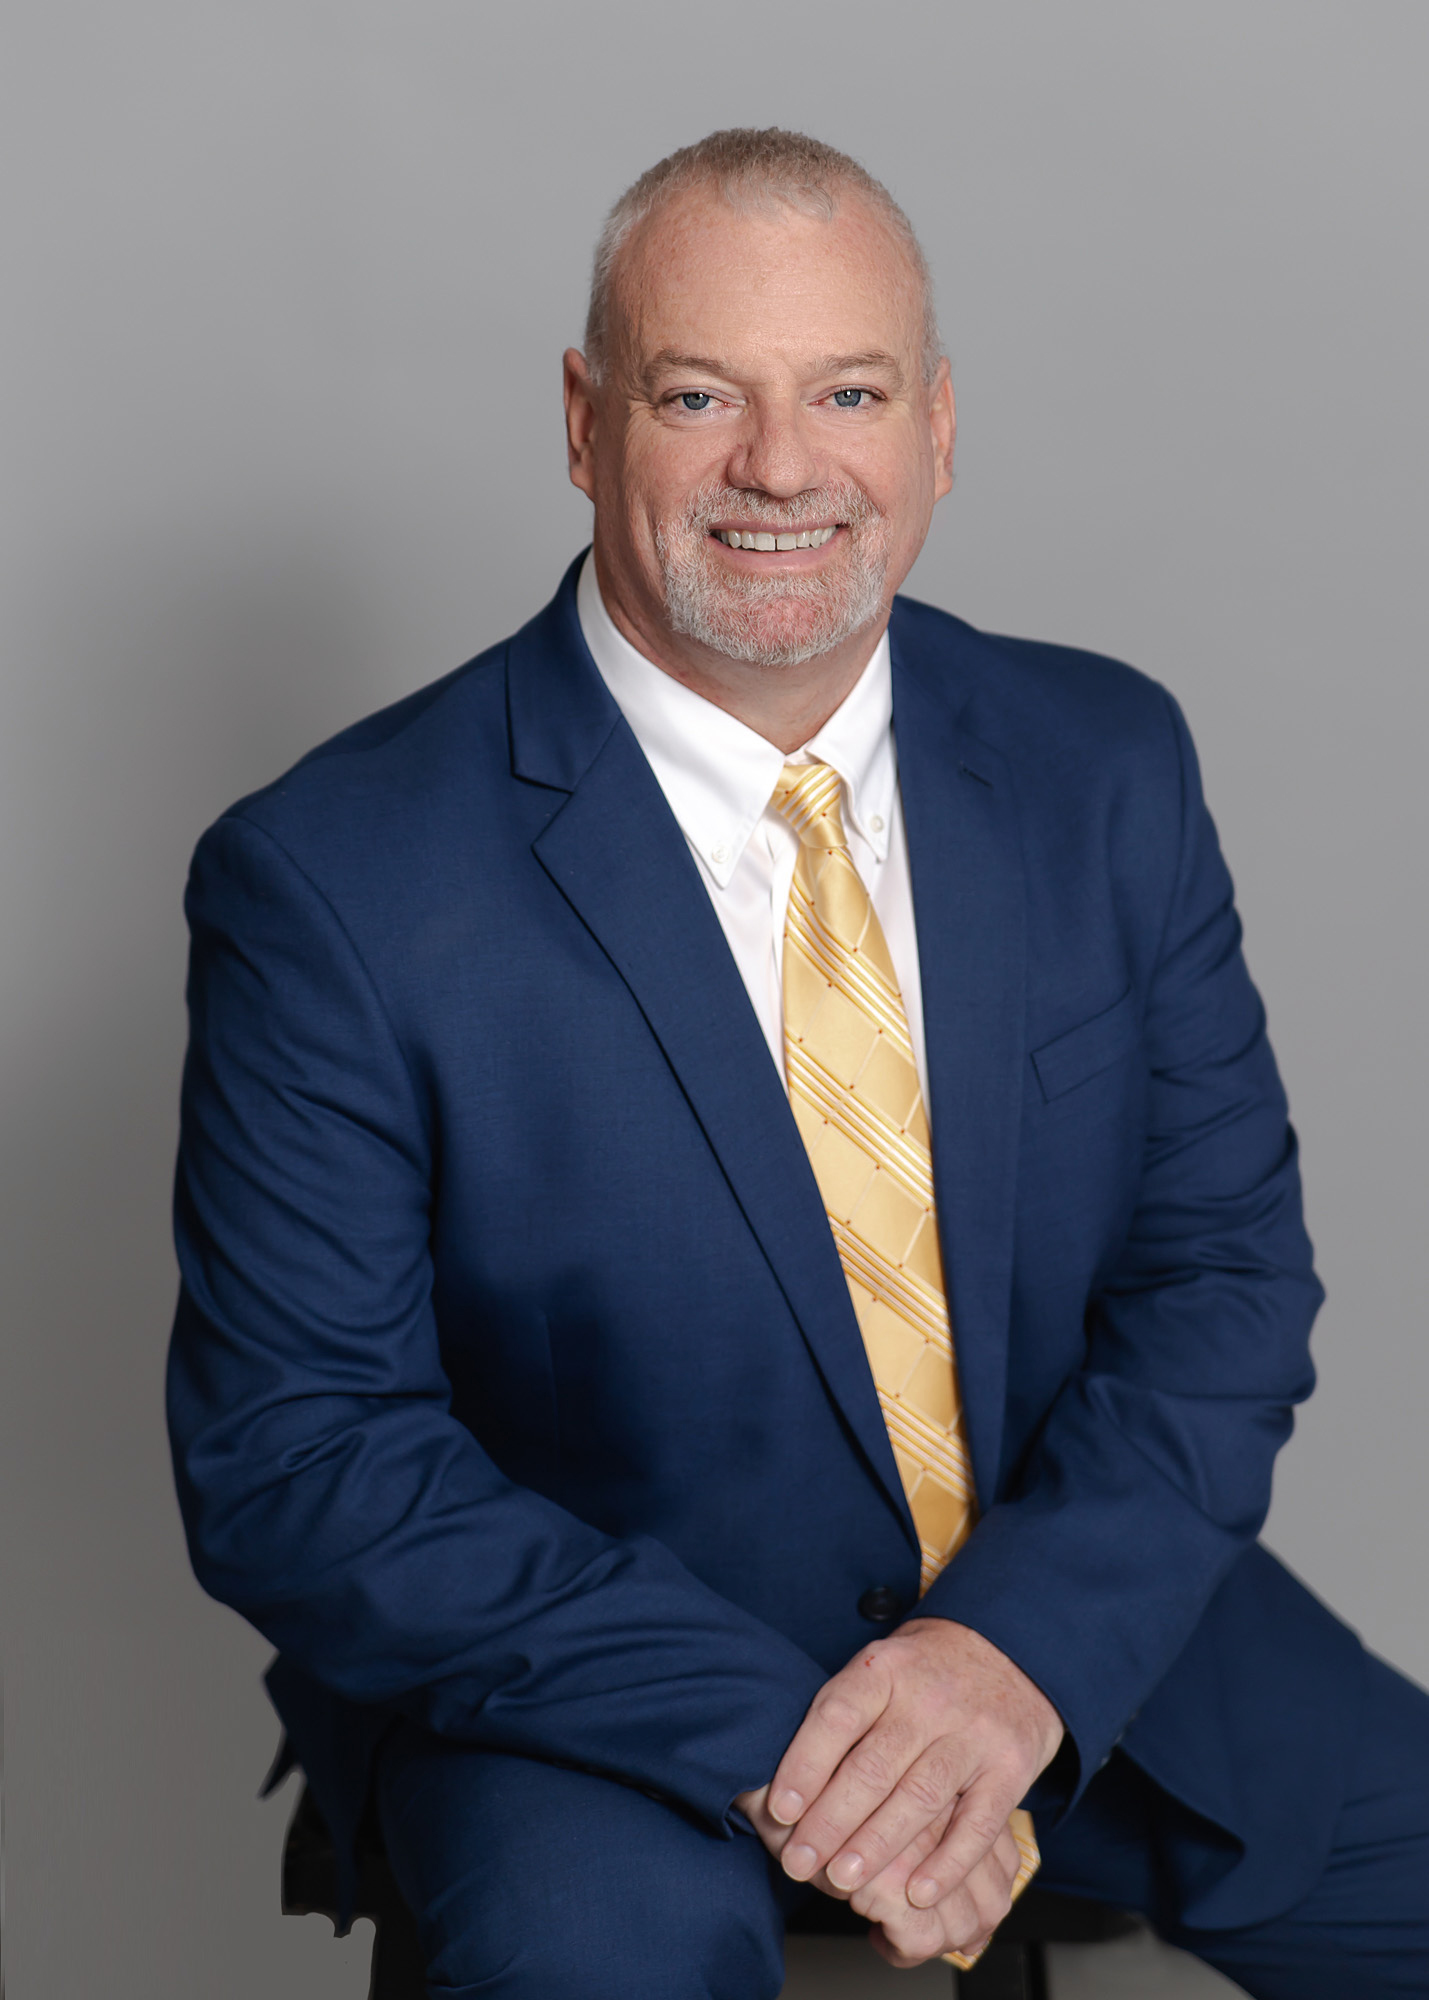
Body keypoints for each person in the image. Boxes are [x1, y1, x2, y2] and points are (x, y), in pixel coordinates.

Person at [167, 128, 1429, 1998]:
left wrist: (1009, 1658)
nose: (781, 466)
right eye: (700, 395)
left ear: (936, 426)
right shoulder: (335, 877)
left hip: (1047, 1607)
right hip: (591, 1684)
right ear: (587, 418)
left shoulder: (1104, 764)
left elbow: (1221, 1285)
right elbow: (303, 1459)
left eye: (845, 391)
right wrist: (816, 1755)